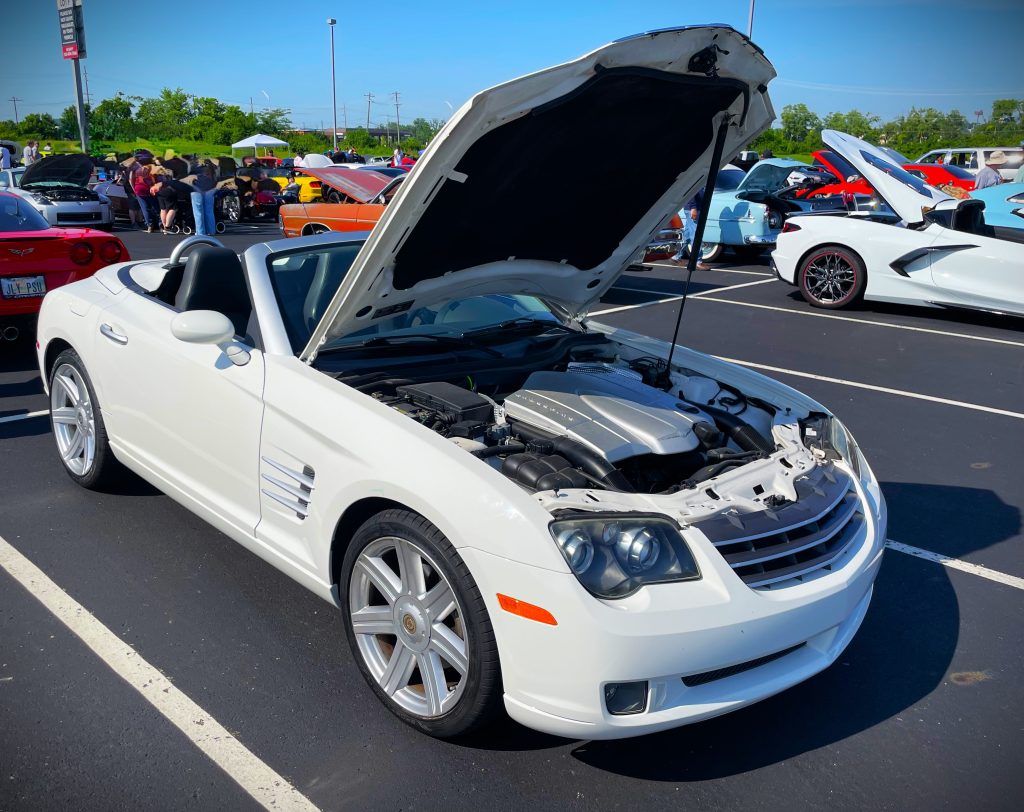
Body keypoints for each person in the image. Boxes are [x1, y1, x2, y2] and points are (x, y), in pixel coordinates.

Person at [670, 188, 710, 270]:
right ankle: (697, 262)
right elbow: (691, 192)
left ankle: (675, 256)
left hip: (696, 208)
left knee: (687, 235)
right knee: (696, 235)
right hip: (693, 209)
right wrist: (693, 208)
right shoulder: (698, 177)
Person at [132, 164, 159, 232]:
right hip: (149, 190)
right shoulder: (152, 170)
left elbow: (131, 179)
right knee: (157, 208)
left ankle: (149, 225)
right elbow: (154, 182)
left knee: (145, 209)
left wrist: (134, 189)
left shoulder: (138, 170)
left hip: (139, 190)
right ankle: (161, 224)